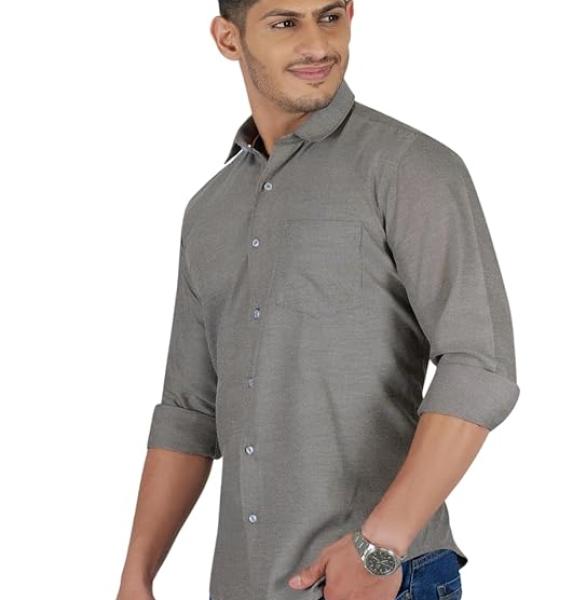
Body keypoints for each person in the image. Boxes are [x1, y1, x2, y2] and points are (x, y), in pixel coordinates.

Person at [117, 2, 520, 599]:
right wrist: (136, 576)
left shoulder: (409, 167)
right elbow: (189, 412)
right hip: (243, 584)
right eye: (285, 23)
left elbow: (480, 367)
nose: (317, 44)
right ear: (229, 39)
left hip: (382, 581)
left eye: (330, 16)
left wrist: (378, 545)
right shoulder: (208, 212)